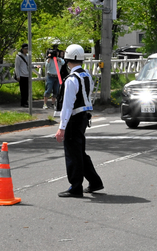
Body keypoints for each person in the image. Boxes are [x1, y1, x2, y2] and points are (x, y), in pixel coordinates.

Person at [55, 44, 103, 198]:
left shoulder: (71, 79)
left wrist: (61, 127)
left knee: (72, 154)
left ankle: (76, 187)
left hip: (74, 118)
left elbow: (67, 106)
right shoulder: (86, 75)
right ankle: (95, 182)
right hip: (84, 117)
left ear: (68, 59)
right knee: (79, 152)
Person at [14, 43, 30, 107]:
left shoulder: (28, 56)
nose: (26, 50)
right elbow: (17, 67)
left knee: (27, 90)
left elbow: (29, 64)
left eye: (27, 49)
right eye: (25, 49)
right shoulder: (18, 57)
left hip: (27, 74)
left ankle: (26, 101)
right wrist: (18, 76)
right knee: (23, 90)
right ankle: (23, 103)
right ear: (22, 49)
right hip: (21, 75)